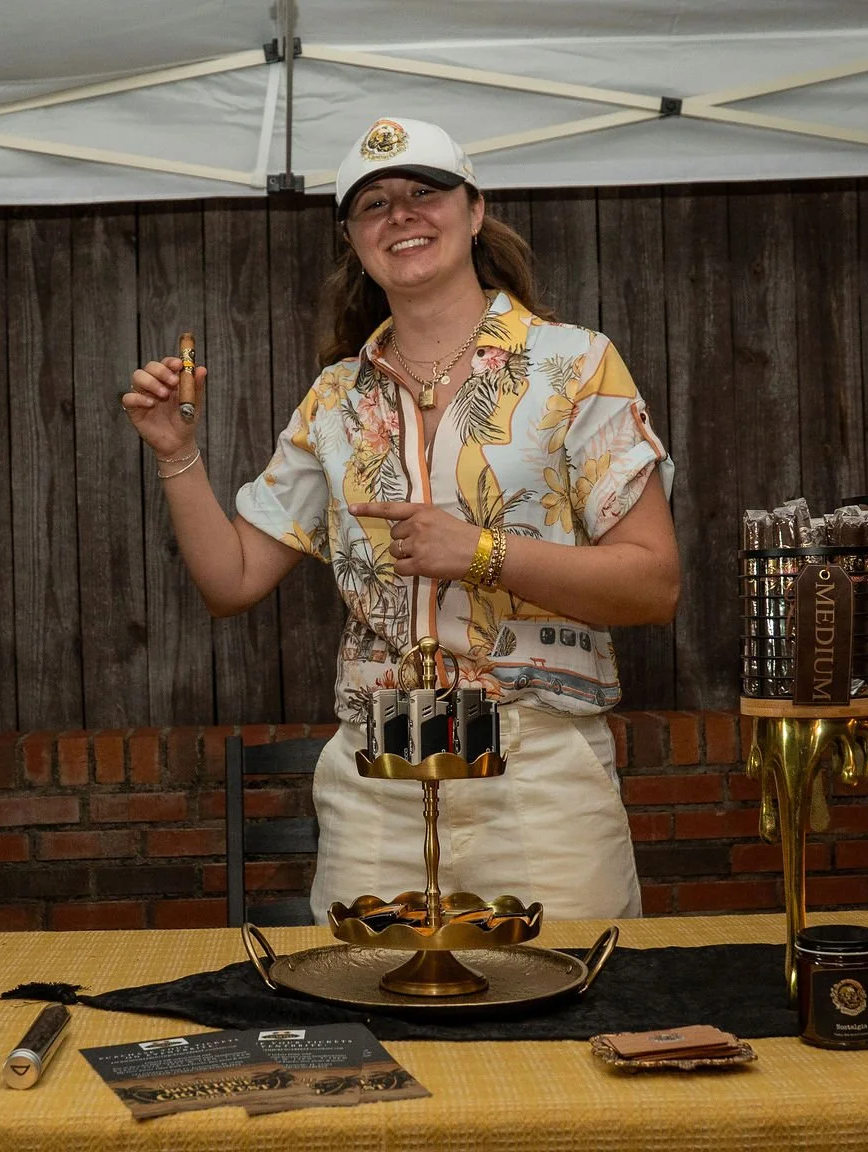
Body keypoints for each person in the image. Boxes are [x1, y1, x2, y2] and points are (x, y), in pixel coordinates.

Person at [121, 116, 679, 920]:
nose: (402, 215)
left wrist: (482, 552)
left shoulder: (575, 365)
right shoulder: (336, 399)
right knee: (369, 1028)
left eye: (425, 192)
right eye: (374, 204)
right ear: (352, 238)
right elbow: (230, 580)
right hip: (374, 777)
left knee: (561, 1026)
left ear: (475, 210)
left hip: (536, 778)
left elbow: (654, 585)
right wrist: (176, 452)